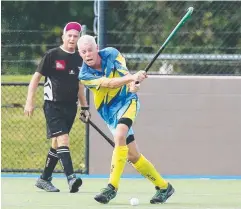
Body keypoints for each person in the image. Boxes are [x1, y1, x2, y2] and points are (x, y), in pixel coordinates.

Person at [77, 35, 174, 204]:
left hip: (127, 101)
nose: (87, 54)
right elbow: (109, 83)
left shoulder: (112, 54)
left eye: (90, 50)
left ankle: (111, 187)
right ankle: (164, 187)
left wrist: (133, 85)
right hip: (109, 113)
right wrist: (132, 78)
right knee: (133, 155)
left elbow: (125, 74)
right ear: (79, 53)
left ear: (97, 47)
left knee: (120, 136)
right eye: (83, 52)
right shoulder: (84, 74)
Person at [24, 22, 90, 193]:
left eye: (75, 36)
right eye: (69, 35)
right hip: (53, 106)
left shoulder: (79, 59)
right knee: (63, 140)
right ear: (63, 36)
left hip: (71, 107)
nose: (72, 39)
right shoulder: (52, 55)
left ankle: (44, 179)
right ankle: (71, 177)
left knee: (56, 143)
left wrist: (84, 107)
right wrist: (29, 101)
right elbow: (35, 78)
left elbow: (80, 85)